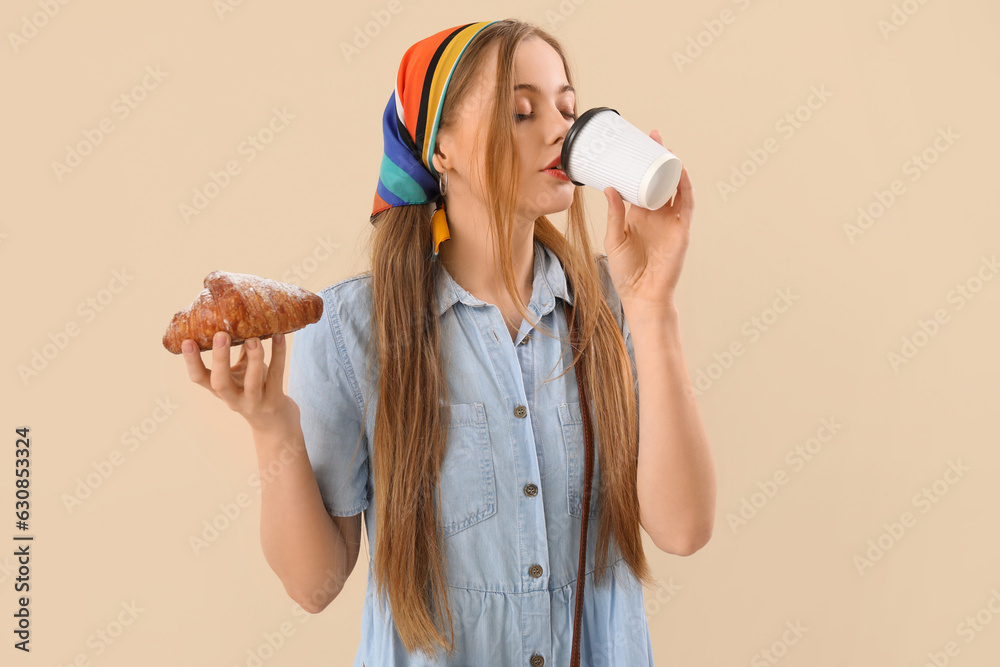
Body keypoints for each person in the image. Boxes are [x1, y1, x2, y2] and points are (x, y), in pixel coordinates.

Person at [180, 18, 715, 666]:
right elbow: (313, 585)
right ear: (441, 150)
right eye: (522, 111)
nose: (558, 130)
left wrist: (653, 305)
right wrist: (272, 425)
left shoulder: (613, 303)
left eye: (566, 108)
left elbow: (683, 529)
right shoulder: (355, 328)